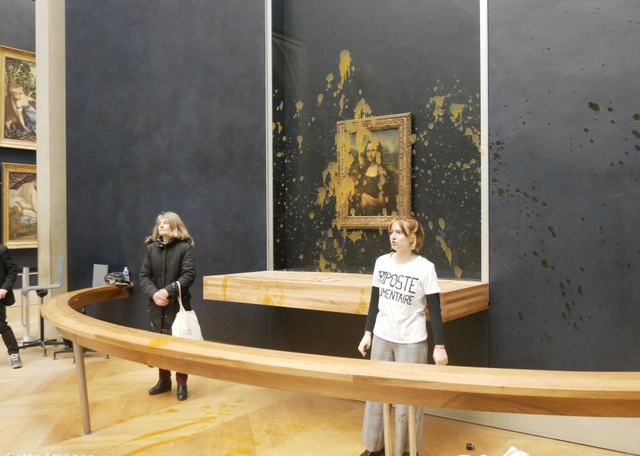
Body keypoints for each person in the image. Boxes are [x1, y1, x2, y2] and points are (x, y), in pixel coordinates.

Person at [357, 217, 448, 456]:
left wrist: (439, 346)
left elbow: (435, 309)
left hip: (412, 341)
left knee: (409, 399)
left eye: (399, 232)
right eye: (391, 232)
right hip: (382, 336)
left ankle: (406, 451)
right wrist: (367, 333)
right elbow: (375, 301)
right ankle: (373, 448)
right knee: (375, 394)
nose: (393, 236)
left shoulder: (425, 268)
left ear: (412, 239)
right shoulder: (381, 263)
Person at [139, 211, 196, 401]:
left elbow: (189, 275)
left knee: (179, 345)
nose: (161, 225)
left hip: (177, 306)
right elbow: (144, 276)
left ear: (175, 225)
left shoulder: (184, 248)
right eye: (159, 223)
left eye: (165, 222)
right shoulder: (151, 249)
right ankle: (164, 381)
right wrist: (155, 294)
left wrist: (167, 291)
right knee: (160, 344)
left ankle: (181, 384)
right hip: (156, 305)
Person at [350, 140, 396, 216]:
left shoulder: (386, 172)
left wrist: (377, 201)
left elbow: (391, 196)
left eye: (373, 150)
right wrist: (362, 196)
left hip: (378, 211)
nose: (370, 154)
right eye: (368, 151)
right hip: (362, 210)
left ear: (378, 152)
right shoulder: (362, 171)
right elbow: (355, 189)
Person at [0, 244, 22, 369]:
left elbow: (12, 270)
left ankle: (14, 353)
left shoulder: (1, 250)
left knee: (1, 325)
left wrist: (4, 288)